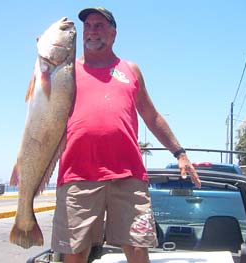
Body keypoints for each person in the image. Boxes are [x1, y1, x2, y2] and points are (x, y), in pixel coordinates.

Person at [51, 7, 202, 263]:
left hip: (128, 175)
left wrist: (180, 153)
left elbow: (151, 116)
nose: (92, 31)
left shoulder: (130, 70)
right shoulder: (65, 71)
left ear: (113, 33)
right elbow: (43, 111)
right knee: (74, 252)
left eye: (99, 25)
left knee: (137, 247)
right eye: (88, 26)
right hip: (78, 175)